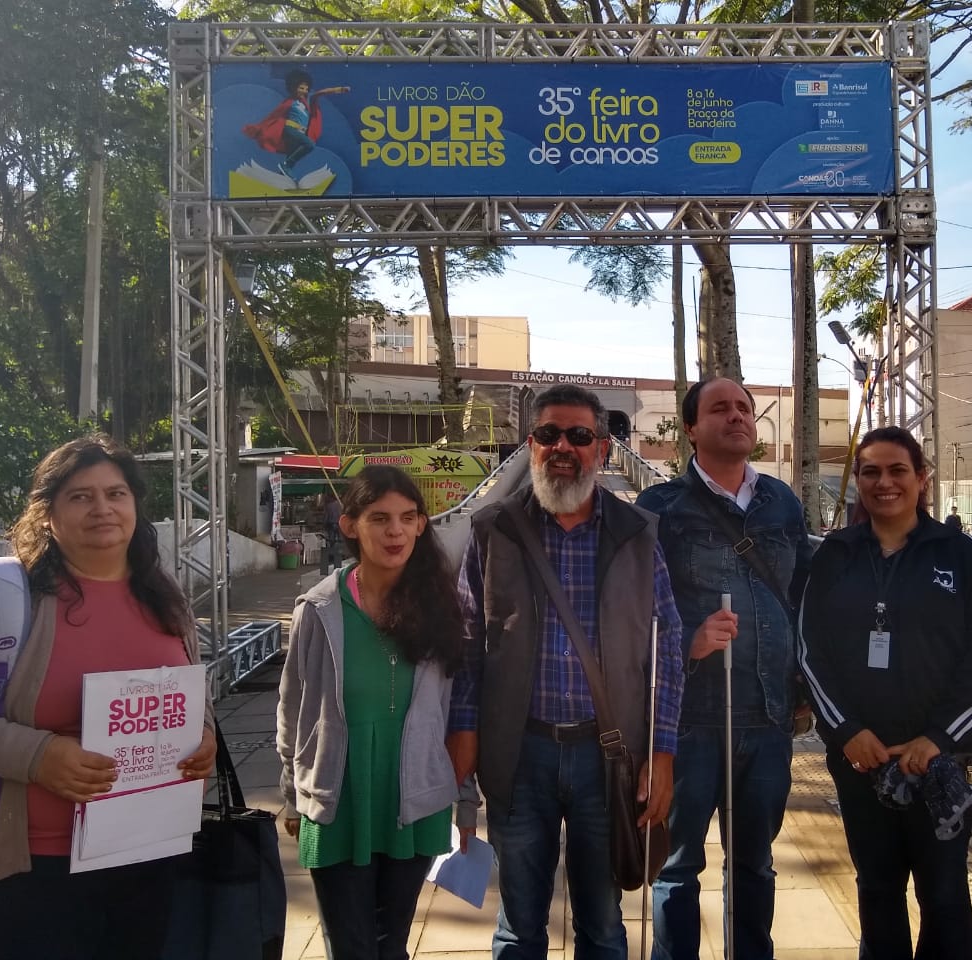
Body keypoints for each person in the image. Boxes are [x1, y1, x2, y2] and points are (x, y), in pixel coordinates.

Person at [0, 435, 216, 960]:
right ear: (47, 514)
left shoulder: (165, 594)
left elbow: (190, 691)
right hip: (35, 869)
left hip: (149, 857)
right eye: (80, 496)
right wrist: (39, 756)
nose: (103, 508)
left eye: (116, 493)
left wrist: (202, 733)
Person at [447, 384, 685, 960]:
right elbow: (467, 642)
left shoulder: (635, 534)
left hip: (608, 758)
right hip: (518, 754)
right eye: (549, 434)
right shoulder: (493, 529)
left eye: (579, 436)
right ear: (530, 445)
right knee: (519, 922)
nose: (563, 446)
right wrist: (464, 740)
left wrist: (662, 752)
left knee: (603, 925)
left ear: (601, 449)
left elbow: (668, 645)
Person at [801, 427, 972, 960]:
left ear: (921, 479)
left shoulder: (964, 557)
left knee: (943, 891)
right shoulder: (834, 557)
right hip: (861, 759)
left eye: (897, 470)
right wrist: (846, 732)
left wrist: (936, 739)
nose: (884, 482)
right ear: (858, 482)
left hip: (944, 761)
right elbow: (810, 652)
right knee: (876, 886)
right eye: (870, 471)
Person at [636, 377, 813, 960]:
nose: (737, 416)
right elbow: (633, 611)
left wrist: (805, 691)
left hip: (767, 720)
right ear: (691, 428)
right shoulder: (659, 508)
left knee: (755, 865)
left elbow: (806, 597)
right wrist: (689, 640)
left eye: (744, 408)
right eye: (720, 408)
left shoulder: (782, 501)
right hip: (689, 723)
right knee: (678, 866)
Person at [277, 465, 476, 960]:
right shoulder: (318, 609)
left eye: (408, 518)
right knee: (350, 946)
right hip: (338, 798)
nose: (395, 531)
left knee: (392, 947)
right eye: (380, 518)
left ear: (421, 526)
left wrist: (466, 799)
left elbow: (459, 712)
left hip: (415, 797)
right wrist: (290, 793)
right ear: (350, 526)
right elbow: (293, 704)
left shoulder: (442, 606)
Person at [242, 69, 350, 181]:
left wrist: (339, 90)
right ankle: (286, 165)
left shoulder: (308, 102)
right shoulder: (290, 102)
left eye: (306, 89)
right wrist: (259, 128)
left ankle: (283, 176)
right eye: (301, 88)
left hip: (299, 133)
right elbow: (274, 116)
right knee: (310, 145)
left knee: (292, 153)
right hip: (290, 130)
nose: (304, 91)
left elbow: (321, 93)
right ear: (294, 88)